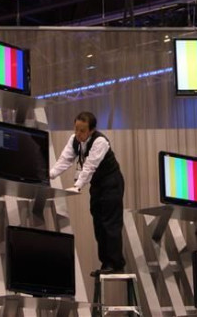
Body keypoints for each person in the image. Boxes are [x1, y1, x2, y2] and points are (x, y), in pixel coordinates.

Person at [50, 111, 126, 274]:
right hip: (97, 184)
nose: (78, 134)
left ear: (91, 130)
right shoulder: (74, 140)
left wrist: (78, 185)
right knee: (98, 222)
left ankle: (115, 263)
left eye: (82, 130)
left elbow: (90, 166)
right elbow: (64, 160)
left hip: (111, 182)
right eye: (76, 129)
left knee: (110, 222)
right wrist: (49, 175)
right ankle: (106, 263)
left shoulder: (100, 141)